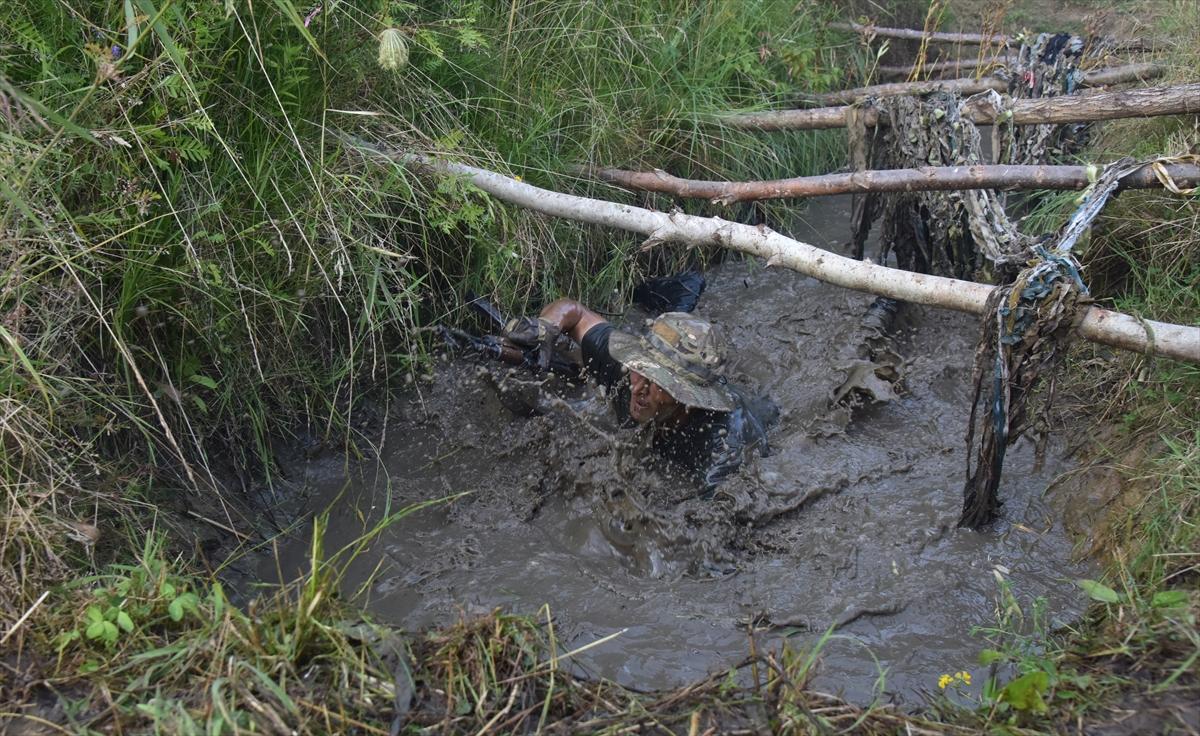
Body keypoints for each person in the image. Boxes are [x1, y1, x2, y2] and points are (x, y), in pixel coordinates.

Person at [508, 298, 776, 494]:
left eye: (658, 382)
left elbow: (716, 524)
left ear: (687, 398)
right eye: (640, 370)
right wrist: (545, 328)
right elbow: (574, 312)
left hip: (763, 415)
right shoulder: (628, 374)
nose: (638, 389)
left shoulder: (725, 444)